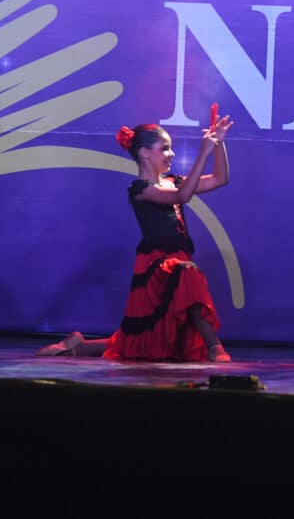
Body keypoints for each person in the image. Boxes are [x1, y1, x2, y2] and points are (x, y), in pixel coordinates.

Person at [37, 114, 234, 362]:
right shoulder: (141, 189)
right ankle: (214, 346)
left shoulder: (174, 182)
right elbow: (182, 196)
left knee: (146, 339)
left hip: (179, 259)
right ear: (145, 153)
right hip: (157, 265)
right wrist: (203, 152)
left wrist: (218, 144)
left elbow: (220, 178)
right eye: (165, 148)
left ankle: (79, 347)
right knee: (188, 273)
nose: (172, 153)